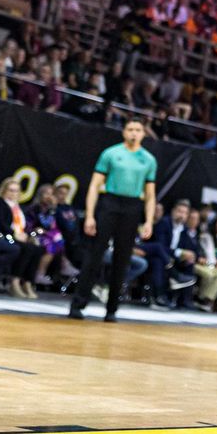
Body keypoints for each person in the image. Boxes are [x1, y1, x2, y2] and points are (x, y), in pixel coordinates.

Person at [67, 119, 157, 322]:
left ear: (143, 134)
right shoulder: (111, 153)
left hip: (132, 206)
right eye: (130, 129)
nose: (134, 133)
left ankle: (112, 309)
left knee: (122, 259)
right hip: (109, 203)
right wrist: (90, 215)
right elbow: (94, 185)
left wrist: (149, 221)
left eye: (138, 130)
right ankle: (78, 304)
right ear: (124, 132)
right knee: (94, 255)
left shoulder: (148, 160)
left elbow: (150, 195)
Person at [0, 177, 44, 299]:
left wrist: (30, 235)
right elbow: (1, 223)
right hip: (6, 236)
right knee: (27, 248)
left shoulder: (18, 207)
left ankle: (27, 283)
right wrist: (14, 234)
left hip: (20, 236)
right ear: (4, 190)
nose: (13, 193)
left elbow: (24, 226)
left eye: (16, 191)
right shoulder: (0, 203)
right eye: (10, 190)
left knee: (38, 249)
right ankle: (14, 282)